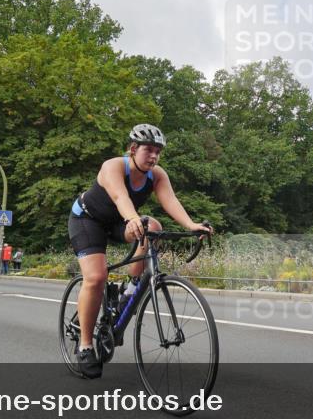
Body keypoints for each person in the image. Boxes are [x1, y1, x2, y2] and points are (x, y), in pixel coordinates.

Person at [68, 124, 212, 379]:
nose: (154, 156)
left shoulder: (157, 175)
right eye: (148, 150)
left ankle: (132, 288)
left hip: (119, 223)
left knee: (153, 226)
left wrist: (192, 225)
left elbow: (171, 201)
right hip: (87, 221)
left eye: (158, 151)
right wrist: (133, 218)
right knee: (96, 278)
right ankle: (86, 345)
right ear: (133, 149)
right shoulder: (113, 166)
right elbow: (119, 195)